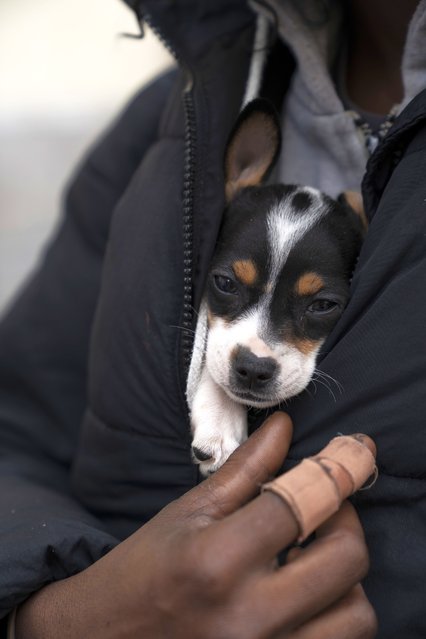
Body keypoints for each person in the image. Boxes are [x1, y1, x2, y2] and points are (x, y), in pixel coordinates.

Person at [0, 0, 425, 637]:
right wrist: (58, 616)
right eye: (226, 287)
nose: (257, 350)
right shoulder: (177, 119)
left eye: (319, 306)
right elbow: (17, 424)